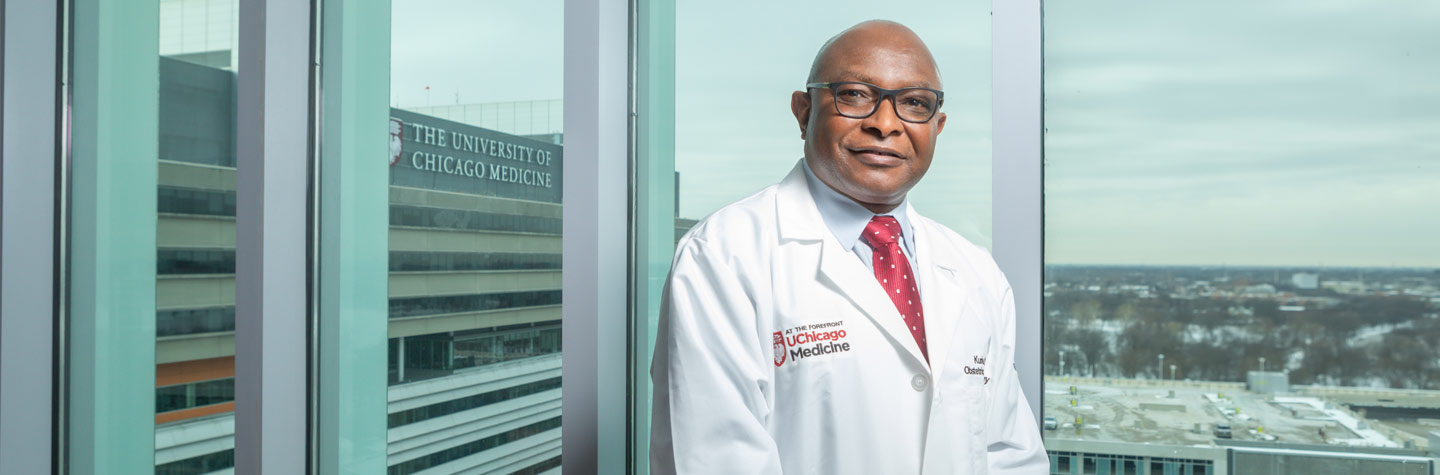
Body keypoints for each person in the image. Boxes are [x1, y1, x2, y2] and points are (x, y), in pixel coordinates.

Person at [650, 20, 1048, 475]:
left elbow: (1010, 456)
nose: (885, 124)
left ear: (937, 126)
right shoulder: (723, 256)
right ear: (804, 112)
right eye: (855, 95)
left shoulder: (976, 272)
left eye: (914, 104)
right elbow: (715, 459)